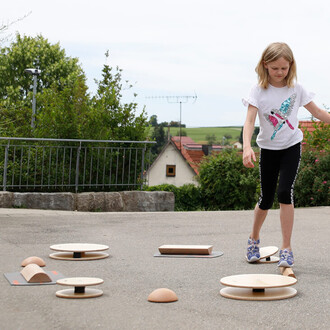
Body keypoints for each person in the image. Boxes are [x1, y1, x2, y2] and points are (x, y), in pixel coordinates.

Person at [242, 42, 330, 267]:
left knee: (285, 192)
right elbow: (250, 120)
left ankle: (287, 248)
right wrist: (246, 146)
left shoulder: (296, 89)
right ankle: (253, 239)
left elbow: (318, 112)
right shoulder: (258, 90)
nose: (280, 73)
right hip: (268, 150)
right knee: (266, 198)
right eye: (275, 68)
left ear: (291, 66)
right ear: (265, 66)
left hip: (291, 146)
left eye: (285, 68)